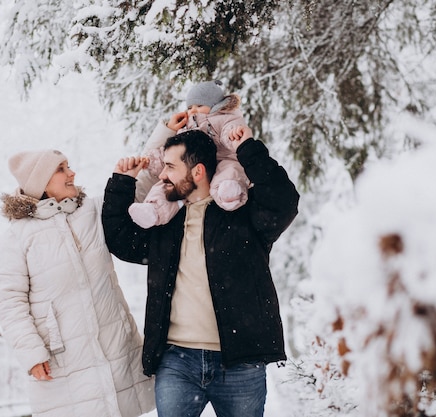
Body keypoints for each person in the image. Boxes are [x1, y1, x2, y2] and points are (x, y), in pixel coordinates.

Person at [102, 125, 300, 417]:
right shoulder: (164, 223)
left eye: (170, 166)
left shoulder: (243, 215)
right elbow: (119, 238)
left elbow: (283, 201)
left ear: (197, 172)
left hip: (240, 361)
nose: (162, 175)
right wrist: (122, 183)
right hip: (176, 361)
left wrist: (246, 147)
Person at [0, 149, 155, 417]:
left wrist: (162, 135)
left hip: (115, 349)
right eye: (61, 169)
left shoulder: (91, 212)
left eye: (69, 166)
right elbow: (10, 303)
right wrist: (32, 354)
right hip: (64, 361)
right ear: (41, 183)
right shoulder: (16, 238)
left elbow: (134, 191)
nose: (72, 173)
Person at [128, 80, 250, 229]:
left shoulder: (225, 118)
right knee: (170, 185)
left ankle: (229, 193)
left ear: (215, 105)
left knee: (229, 172)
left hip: (223, 158)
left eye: (199, 106)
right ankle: (153, 210)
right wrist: (153, 160)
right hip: (193, 166)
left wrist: (233, 136)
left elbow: (229, 129)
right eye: (190, 107)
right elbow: (175, 150)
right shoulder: (189, 126)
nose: (193, 110)